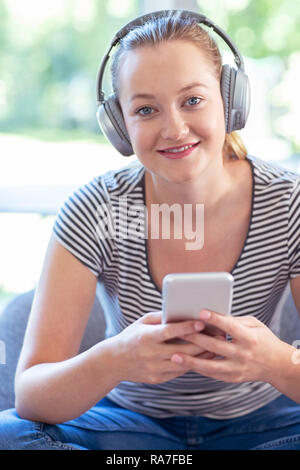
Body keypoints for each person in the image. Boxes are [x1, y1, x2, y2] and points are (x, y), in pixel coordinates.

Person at [0, 9, 300, 451]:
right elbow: (31, 394)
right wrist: (113, 359)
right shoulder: (95, 209)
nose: (174, 128)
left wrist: (277, 363)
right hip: (128, 426)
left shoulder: (289, 203)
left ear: (230, 101)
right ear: (120, 126)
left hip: (262, 423)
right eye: (145, 109)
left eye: (193, 100)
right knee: (11, 433)